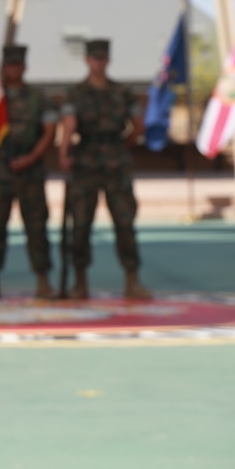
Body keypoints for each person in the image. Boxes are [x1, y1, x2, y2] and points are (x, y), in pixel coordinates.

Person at [58, 39, 151, 300]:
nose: (98, 63)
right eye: (94, 58)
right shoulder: (75, 93)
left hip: (116, 164)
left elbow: (138, 126)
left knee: (124, 222)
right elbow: (69, 124)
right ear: (87, 60)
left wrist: (122, 145)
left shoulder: (123, 92)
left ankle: (132, 281)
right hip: (85, 163)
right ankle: (80, 282)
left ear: (107, 60)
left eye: (102, 58)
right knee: (81, 225)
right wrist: (64, 152)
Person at [0, 45, 56, 299]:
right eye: (9, 64)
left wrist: (32, 157)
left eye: (18, 64)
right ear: (4, 67)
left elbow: (49, 131)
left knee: (36, 228)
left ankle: (43, 280)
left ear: (24, 67)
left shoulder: (38, 97)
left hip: (30, 172)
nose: (14, 68)